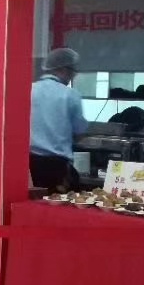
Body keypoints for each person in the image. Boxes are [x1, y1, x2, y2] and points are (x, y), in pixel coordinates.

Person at [29, 48, 89, 192]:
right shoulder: (70, 95)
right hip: (57, 166)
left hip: (29, 164)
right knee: (59, 202)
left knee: (34, 201)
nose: (73, 76)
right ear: (63, 69)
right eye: (73, 72)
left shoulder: (29, 89)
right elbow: (80, 132)